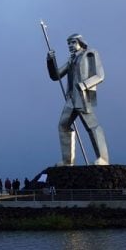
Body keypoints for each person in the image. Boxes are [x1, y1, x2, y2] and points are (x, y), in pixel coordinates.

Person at [47, 33, 110, 166]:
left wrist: (84, 85)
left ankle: (103, 159)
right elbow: (56, 76)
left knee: (92, 126)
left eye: (73, 42)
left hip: (82, 96)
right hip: (71, 98)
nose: (70, 46)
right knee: (63, 126)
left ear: (80, 42)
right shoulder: (71, 60)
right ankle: (67, 161)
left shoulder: (90, 54)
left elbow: (100, 75)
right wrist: (51, 61)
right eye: (68, 43)